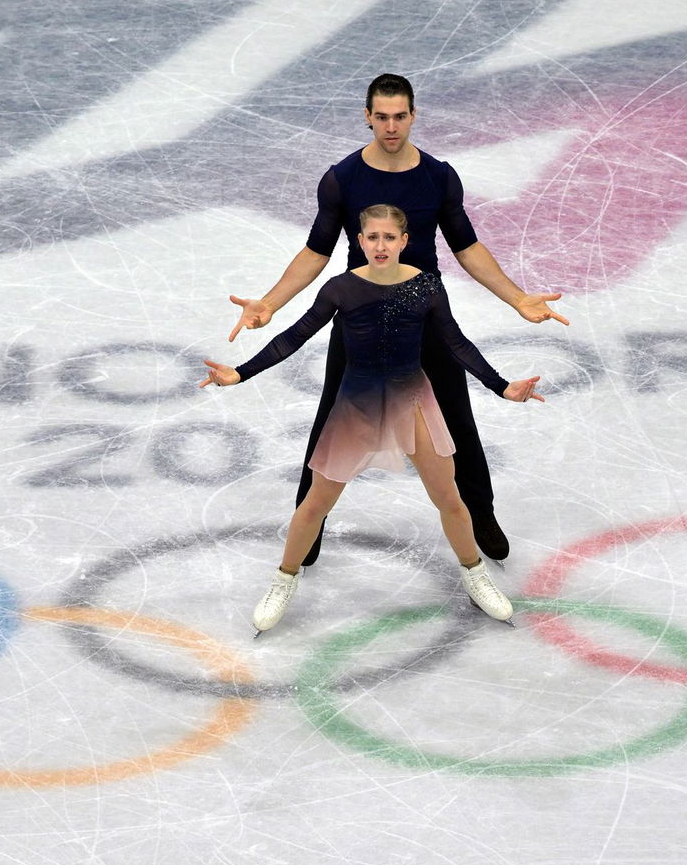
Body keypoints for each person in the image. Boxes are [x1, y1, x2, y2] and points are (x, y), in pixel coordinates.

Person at [226, 72, 566, 565]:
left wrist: (516, 298)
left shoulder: (438, 176)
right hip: (359, 319)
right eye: (381, 117)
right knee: (330, 420)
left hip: (425, 314)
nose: (390, 127)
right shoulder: (343, 178)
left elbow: (466, 246)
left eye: (399, 116)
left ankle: (482, 514)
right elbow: (317, 250)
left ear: (413, 116)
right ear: (367, 117)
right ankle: (310, 525)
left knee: (456, 419)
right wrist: (271, 302)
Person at [201, 205, 544, 634]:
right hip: (357, 404)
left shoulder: (426, 287)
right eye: (373, 237)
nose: (381, 245)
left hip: (412, 402)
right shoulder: (341, 289)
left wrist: (502, 386)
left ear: (404, 241)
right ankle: (283, 580)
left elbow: (456, 342)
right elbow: (295, 336)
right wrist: (240, 373)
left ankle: (475, 575)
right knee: (315, 504)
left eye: (389, 237)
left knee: (450, 498)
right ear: (360, 242)